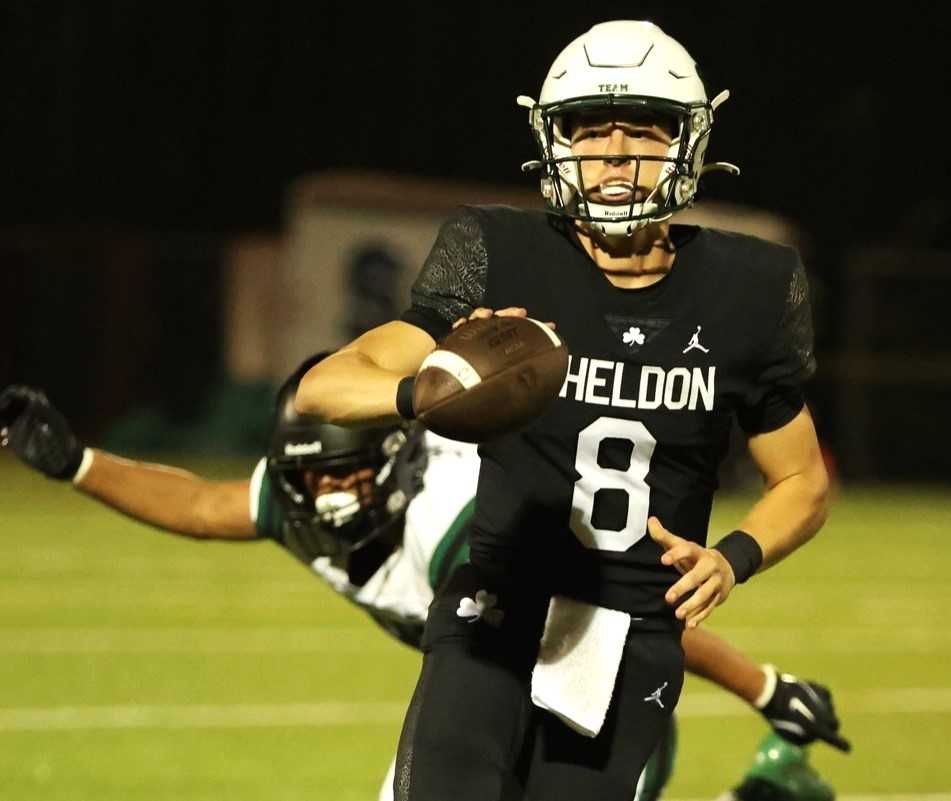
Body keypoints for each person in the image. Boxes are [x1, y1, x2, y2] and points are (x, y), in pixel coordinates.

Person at [295, 19, 835, 801]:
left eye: (644, 129)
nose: (615, 153)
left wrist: (734, 555)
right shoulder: (495, 250)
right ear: (555, 142)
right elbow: (327, 384)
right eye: (589, 130)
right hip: (495, 610)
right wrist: (423, 392)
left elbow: (803, 482)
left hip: (632, 637)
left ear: (691, 140)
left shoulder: (750, 288)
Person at [1, 367, 846, 801]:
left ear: (393, 464)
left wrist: (763, 684)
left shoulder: (453, 519)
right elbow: (198, 499)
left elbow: (610, 618)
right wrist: (78, 463)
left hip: (590, 696)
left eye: (345, 479)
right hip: (482, 690)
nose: (330, 499)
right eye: (312, 484)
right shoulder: (303, 497)